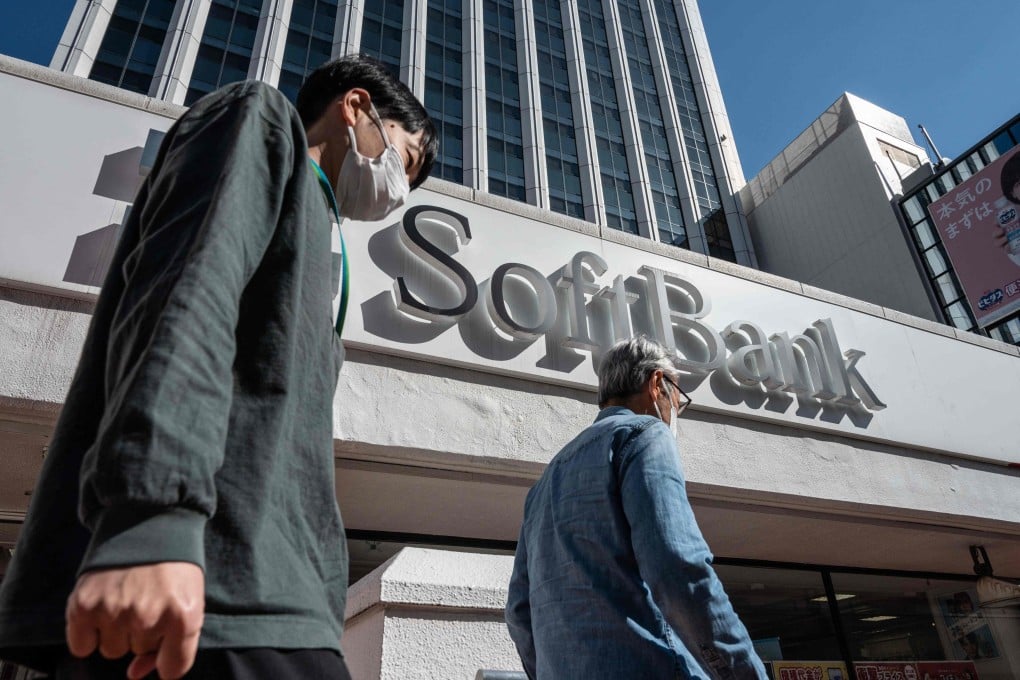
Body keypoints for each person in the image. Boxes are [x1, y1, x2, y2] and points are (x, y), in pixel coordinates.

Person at [0, 54, 436, 679]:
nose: (398, 191)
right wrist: (151, 521)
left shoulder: (318, 228)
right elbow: (188, 296)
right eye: (405, 158)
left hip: (269, 598)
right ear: (356, 107)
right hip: (201, 594)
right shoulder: (259, 121)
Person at [506, 336, 766, 680]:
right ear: (657, 384)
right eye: (678, 399)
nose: (675, 412)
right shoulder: (644, 435)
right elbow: (677, 566)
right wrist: (742, 673)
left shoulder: (544, 483)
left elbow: (519, 611)